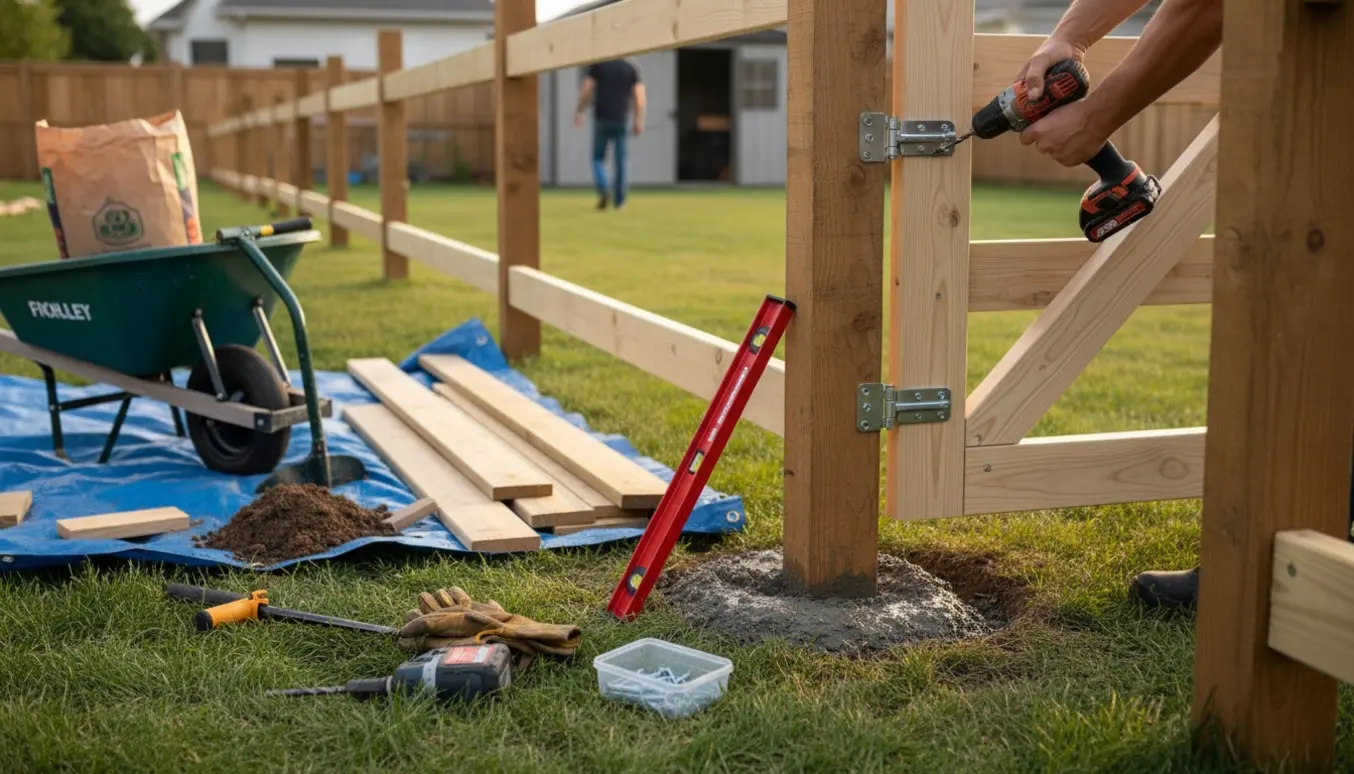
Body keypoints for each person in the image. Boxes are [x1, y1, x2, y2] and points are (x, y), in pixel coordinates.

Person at [574, 58, 646, 210]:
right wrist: (638, 120)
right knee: (621, 161)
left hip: (602, 118)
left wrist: (580, 111)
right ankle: (620, 201)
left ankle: (603, 188)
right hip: (622, 119)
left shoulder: (598, 66)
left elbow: (587, 88)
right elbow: (639, 97)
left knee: (598, 158)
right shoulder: (630, 69)